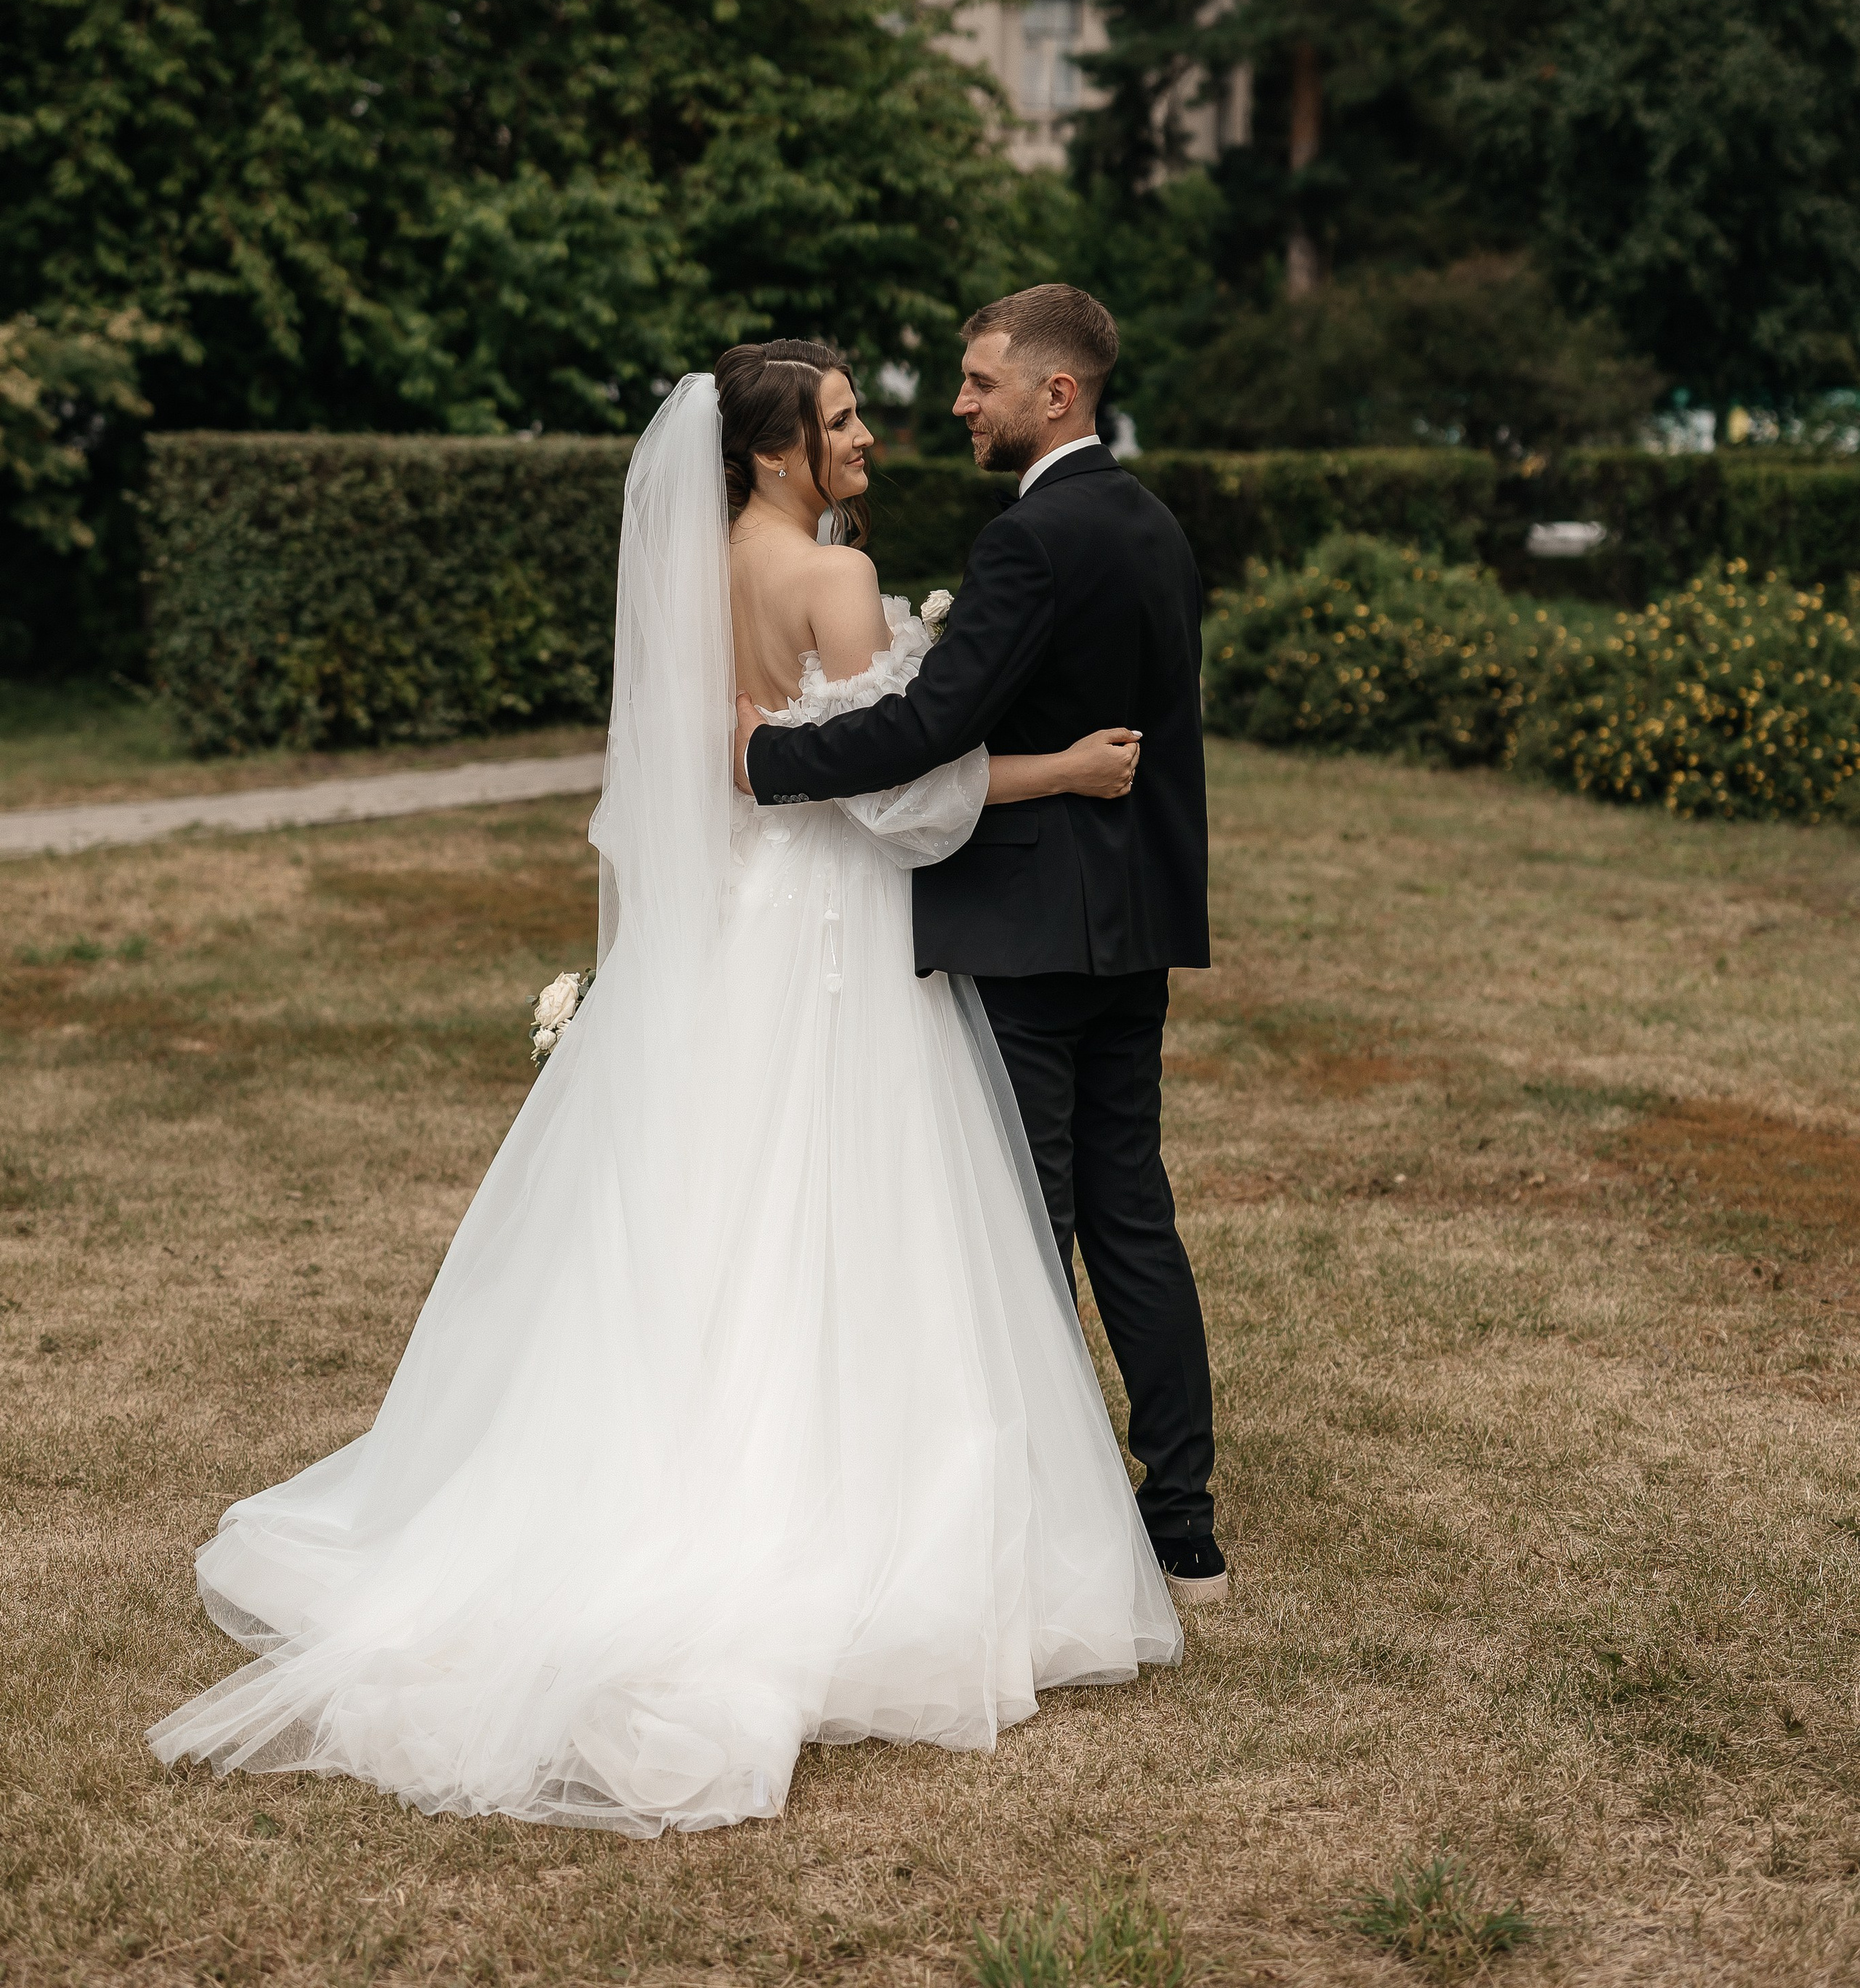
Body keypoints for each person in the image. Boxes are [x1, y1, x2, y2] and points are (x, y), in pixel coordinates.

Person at [149, 344, 1181, 1837]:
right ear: (772, 453)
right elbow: (892, 792)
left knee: (710, 1209)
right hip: (830, 933)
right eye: (840, 420)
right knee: (847, 1212)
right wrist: (1058, 770)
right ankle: (836, 1506)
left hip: (731, 939)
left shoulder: (694, 576)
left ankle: (647, 1472)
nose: (867, 437)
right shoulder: (836, 576)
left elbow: (721, 766)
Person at [737, 286, 1223, 1604]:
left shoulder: (1030, 540)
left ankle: (1044, 1523)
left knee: (1022, 1223)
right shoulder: (1155, 525)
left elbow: (925, 728)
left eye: (980, 383)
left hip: (1022, 926)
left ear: (1054, 394)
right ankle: (1184, 1524)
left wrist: (768, 760)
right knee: (1133, 1213)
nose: (958, 404)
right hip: (1133, 925)